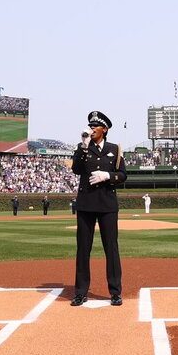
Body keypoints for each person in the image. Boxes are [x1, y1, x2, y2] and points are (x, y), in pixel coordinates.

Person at [70, 111, 127, 307]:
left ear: (105, 129)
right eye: (90, 125)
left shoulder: (114, 149)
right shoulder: (82, 147)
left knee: (111, 249)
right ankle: (80, 292)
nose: (92, 129)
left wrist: (108, 176)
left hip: (107, 205)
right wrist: (84, 148)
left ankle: (115, 292)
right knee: (83, 249)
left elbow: (123, 175)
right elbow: (76, 169)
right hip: (86, 204)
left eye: (96, 126)